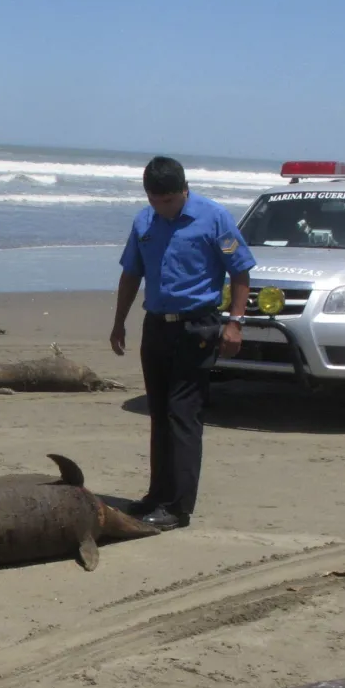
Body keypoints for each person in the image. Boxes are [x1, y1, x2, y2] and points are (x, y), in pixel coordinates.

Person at [110, 156, 255, 531]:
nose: (161, 208)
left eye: (169, 201)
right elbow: (131, 273)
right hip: (157, 326)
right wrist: (119, 321)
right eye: (154, 200)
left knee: (182, 413)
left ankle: (178, 506)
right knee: (159, 413)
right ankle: (157, 495)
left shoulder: (214, 218)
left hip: (197, 328)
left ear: (184, 191)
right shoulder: (144, 221)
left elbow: (240, 271)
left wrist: (235, 323)